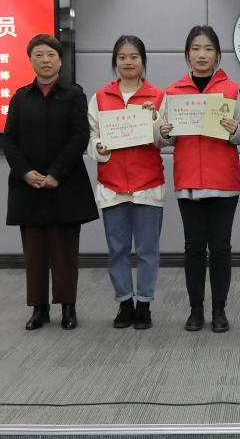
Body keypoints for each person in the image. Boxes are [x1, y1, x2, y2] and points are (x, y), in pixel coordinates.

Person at [3, 34, 98, 331]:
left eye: (51, 55)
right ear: (30, 60)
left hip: (65, 185)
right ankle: (38, 309)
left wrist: (56, 173)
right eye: (39, 55)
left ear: (60, 59)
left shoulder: (74, 94)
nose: (45, 60)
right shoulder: (20, 97)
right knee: (34, 254)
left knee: (64, 252)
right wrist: (25, 172)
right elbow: (9, 140)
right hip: (28, 187)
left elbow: (80, 136)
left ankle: (68, 307)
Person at [157, 26, 240, 333]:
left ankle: (219, 310)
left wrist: (234, 129)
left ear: (217, 54)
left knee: (220, 248)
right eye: (195, 49)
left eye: (208, 49)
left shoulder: (231, 89)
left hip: (223, 182)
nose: (202, 55)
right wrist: (164, 133)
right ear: (187, 54)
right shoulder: (173, 92)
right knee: (194, 248)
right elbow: (163, 139)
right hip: (189, 182)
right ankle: (196, 310)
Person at [87, 35, 165, 330]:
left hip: (148, 184)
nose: (128, 62)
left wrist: (155, 121)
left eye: (134, 56)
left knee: (147, 251)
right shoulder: (100, 97)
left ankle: (144, 304)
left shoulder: (157, 96)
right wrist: (99, 147)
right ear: (115, 61)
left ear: (143, 60)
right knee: (117, 250)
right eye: (122, 57)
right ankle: (124, 303)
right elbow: (92, 138)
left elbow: (163, 140)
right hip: (112, 185)